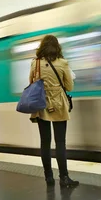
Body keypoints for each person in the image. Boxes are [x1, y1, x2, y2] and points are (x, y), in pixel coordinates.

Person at [29, 35, 79, 188]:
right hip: (58, 105)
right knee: (60, 142)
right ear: (57, 47)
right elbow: (69, 87)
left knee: (45, 142)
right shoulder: (63, 63)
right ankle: (64, 178)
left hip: (41, 104)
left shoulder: (35, 63)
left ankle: (48, 177)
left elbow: (31, 83)